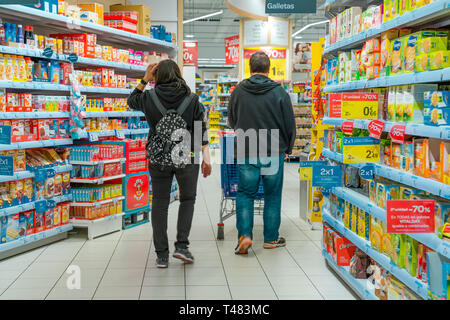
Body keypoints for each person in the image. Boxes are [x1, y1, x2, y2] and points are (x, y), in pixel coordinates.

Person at [127, 59, 212, 268]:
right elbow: (200, 130)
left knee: (160, 202)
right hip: (186, 155)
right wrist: (207, 158)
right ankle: (182, 246)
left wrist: (144, 79)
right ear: (178, 74)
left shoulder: (148, 96)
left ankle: (162, 255)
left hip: (159, 157)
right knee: (187, 199)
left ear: (157, 76)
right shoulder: (193, 99)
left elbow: (131, 100)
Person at [228, 52, 296, 255]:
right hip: (273, 150)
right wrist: (288, 148)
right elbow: (289, 124)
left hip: (246, 149)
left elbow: (232, 120)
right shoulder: (280, 93)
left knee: (245, 194)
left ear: (250, 68)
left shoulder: (238, 91)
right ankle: (270, 239)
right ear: (269, 69)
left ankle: (245, 237)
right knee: (272, 196)